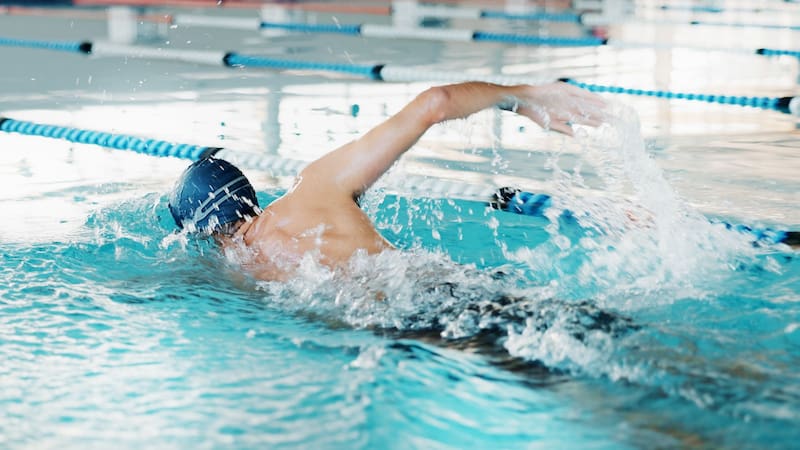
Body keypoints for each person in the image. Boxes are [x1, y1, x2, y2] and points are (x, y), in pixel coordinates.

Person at [169, 81, 606, 281]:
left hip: (412, 332)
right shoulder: (317, 186)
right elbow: (435, 102)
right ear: (250, 196)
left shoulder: (238, 273)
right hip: (455, 286)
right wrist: (526, 98)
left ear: (200, 233)